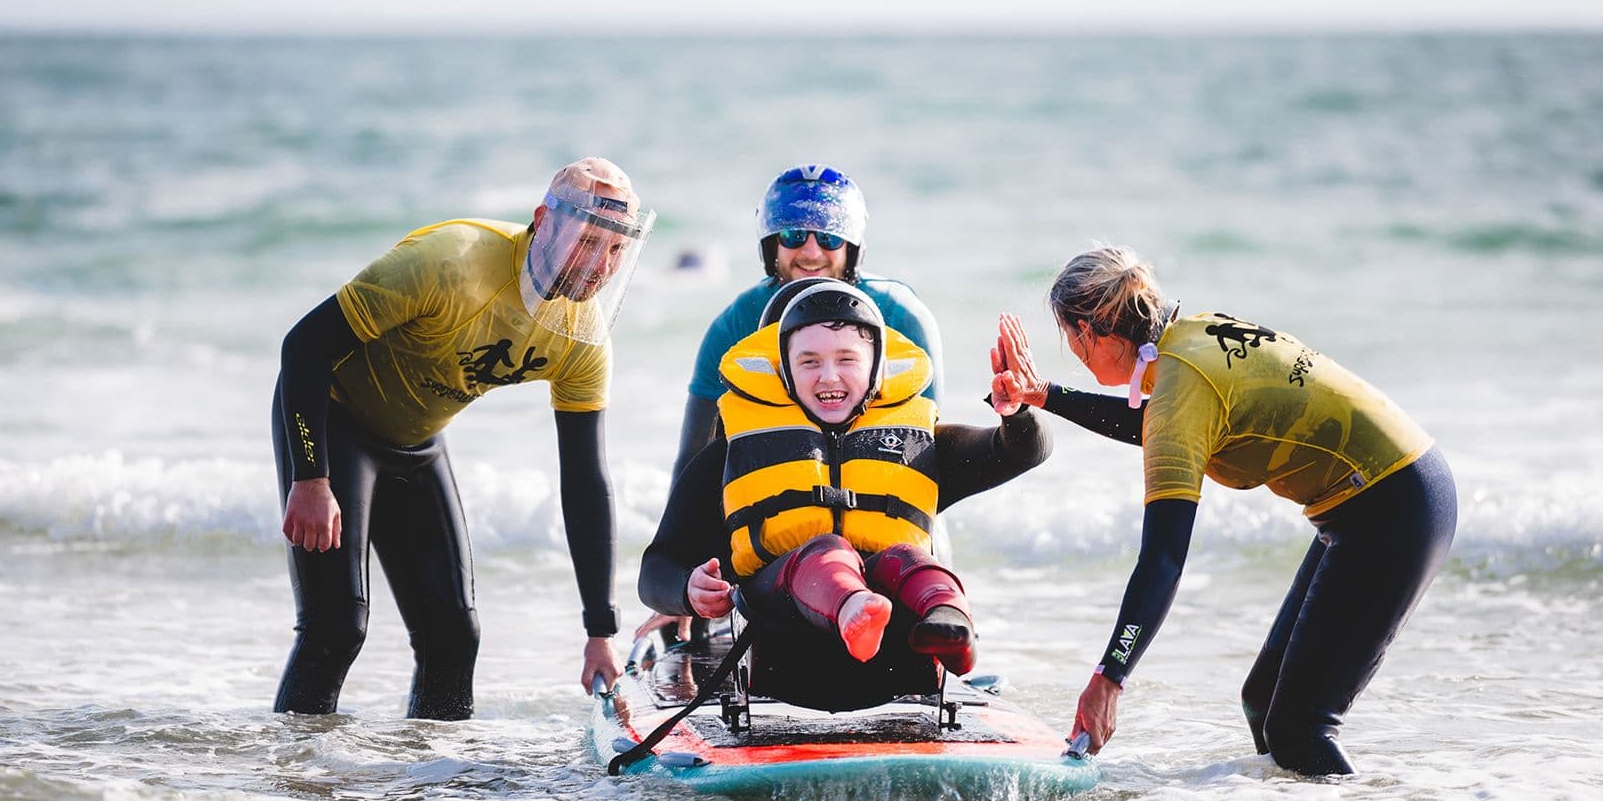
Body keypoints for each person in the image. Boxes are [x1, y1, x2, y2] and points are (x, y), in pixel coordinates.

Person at [994, 244, 1457, 776]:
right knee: (1265, 702)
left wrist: (1109, 677)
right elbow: (1161, 423)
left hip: (1390, 507)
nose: (1072, 350)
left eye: (1069, 336)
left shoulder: (1180, 386)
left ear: (1092, 330)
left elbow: (1163, 558)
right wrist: (1043, 395)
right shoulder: (1188, 339)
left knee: (1300, 725)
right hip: (1391, 494)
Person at [271, 158, 654, 719]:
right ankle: (295, 785)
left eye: (615, 249)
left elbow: (585, 477)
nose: (600, 265)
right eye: (588, 241)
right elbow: (304, 347)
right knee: (337, 627)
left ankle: (431, 788)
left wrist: (601, 631)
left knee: (454, 636)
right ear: (544, 220)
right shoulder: (450, 263)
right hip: (333, 423)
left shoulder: (582, 336)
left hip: (417, 445)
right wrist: (311, 477)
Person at [639, 281, 1056, 707]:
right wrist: (688, 590)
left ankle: (948, 622)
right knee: (827, 549)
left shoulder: (918, 445)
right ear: (781, 368)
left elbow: (1022, 451)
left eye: (847, 359)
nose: (829, 376)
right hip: (787, 656)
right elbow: (657, 568)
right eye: (809, 361)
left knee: (908, 559)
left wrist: (1018, 411)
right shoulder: (734, 455)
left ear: (877, 366)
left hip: (897, 660)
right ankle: (854, 607)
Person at [669, 164, 943, 484]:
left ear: (852, 249)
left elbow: (931, 448)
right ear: (772, 245)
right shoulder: (733, 326)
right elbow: (693, 463)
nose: (811, 252)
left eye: (828, 237)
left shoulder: (902, 315)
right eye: (793, 235)